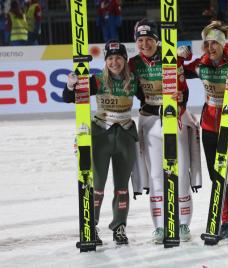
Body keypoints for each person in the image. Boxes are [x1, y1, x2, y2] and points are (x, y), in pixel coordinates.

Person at [178, 21, 228, 242]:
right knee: (217, 177)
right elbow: (177, 71)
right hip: (210, 126)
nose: (211, 47)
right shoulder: (201, 64)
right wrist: (179, 56)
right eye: (207, 43)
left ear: (223, 44)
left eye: (215, 43)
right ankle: (225, 223)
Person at [128, 18, 202, 244]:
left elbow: (185, 84)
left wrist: (181, 96)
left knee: (180, 172)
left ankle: (183, 223)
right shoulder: (133, 63)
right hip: (150, 121)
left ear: (157, 41)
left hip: (174, 119)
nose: (144, 44)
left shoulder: (171, 57)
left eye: (149, 40)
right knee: (156, 175)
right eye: (140, 40)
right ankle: (159, 226)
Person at [63, 40, 139, 245]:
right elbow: (69, 97)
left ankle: (119, 227)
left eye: (119, 58)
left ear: (125, 59)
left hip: (125, 136)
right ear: (105, 61)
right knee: (97, 186)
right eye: (110, 58)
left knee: (122, 187)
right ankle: (91, 225)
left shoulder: (133, 80)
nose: (115, 62)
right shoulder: (97, 81)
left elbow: (151, 99)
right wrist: (70, 85)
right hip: (100, 136)